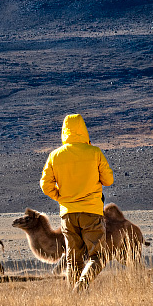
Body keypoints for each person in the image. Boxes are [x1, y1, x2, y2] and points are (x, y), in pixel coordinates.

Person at [39, 114, 114, 292]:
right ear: (83, 129)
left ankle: (74, 296)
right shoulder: (95, 153)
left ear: (64, 131)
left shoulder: (55, 155)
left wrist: (62, 199)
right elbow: (108, 180)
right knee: (98, 257)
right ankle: (81, 287)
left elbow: (45, 185)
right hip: (92, 212)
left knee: (73, 259)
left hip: (68, 214)